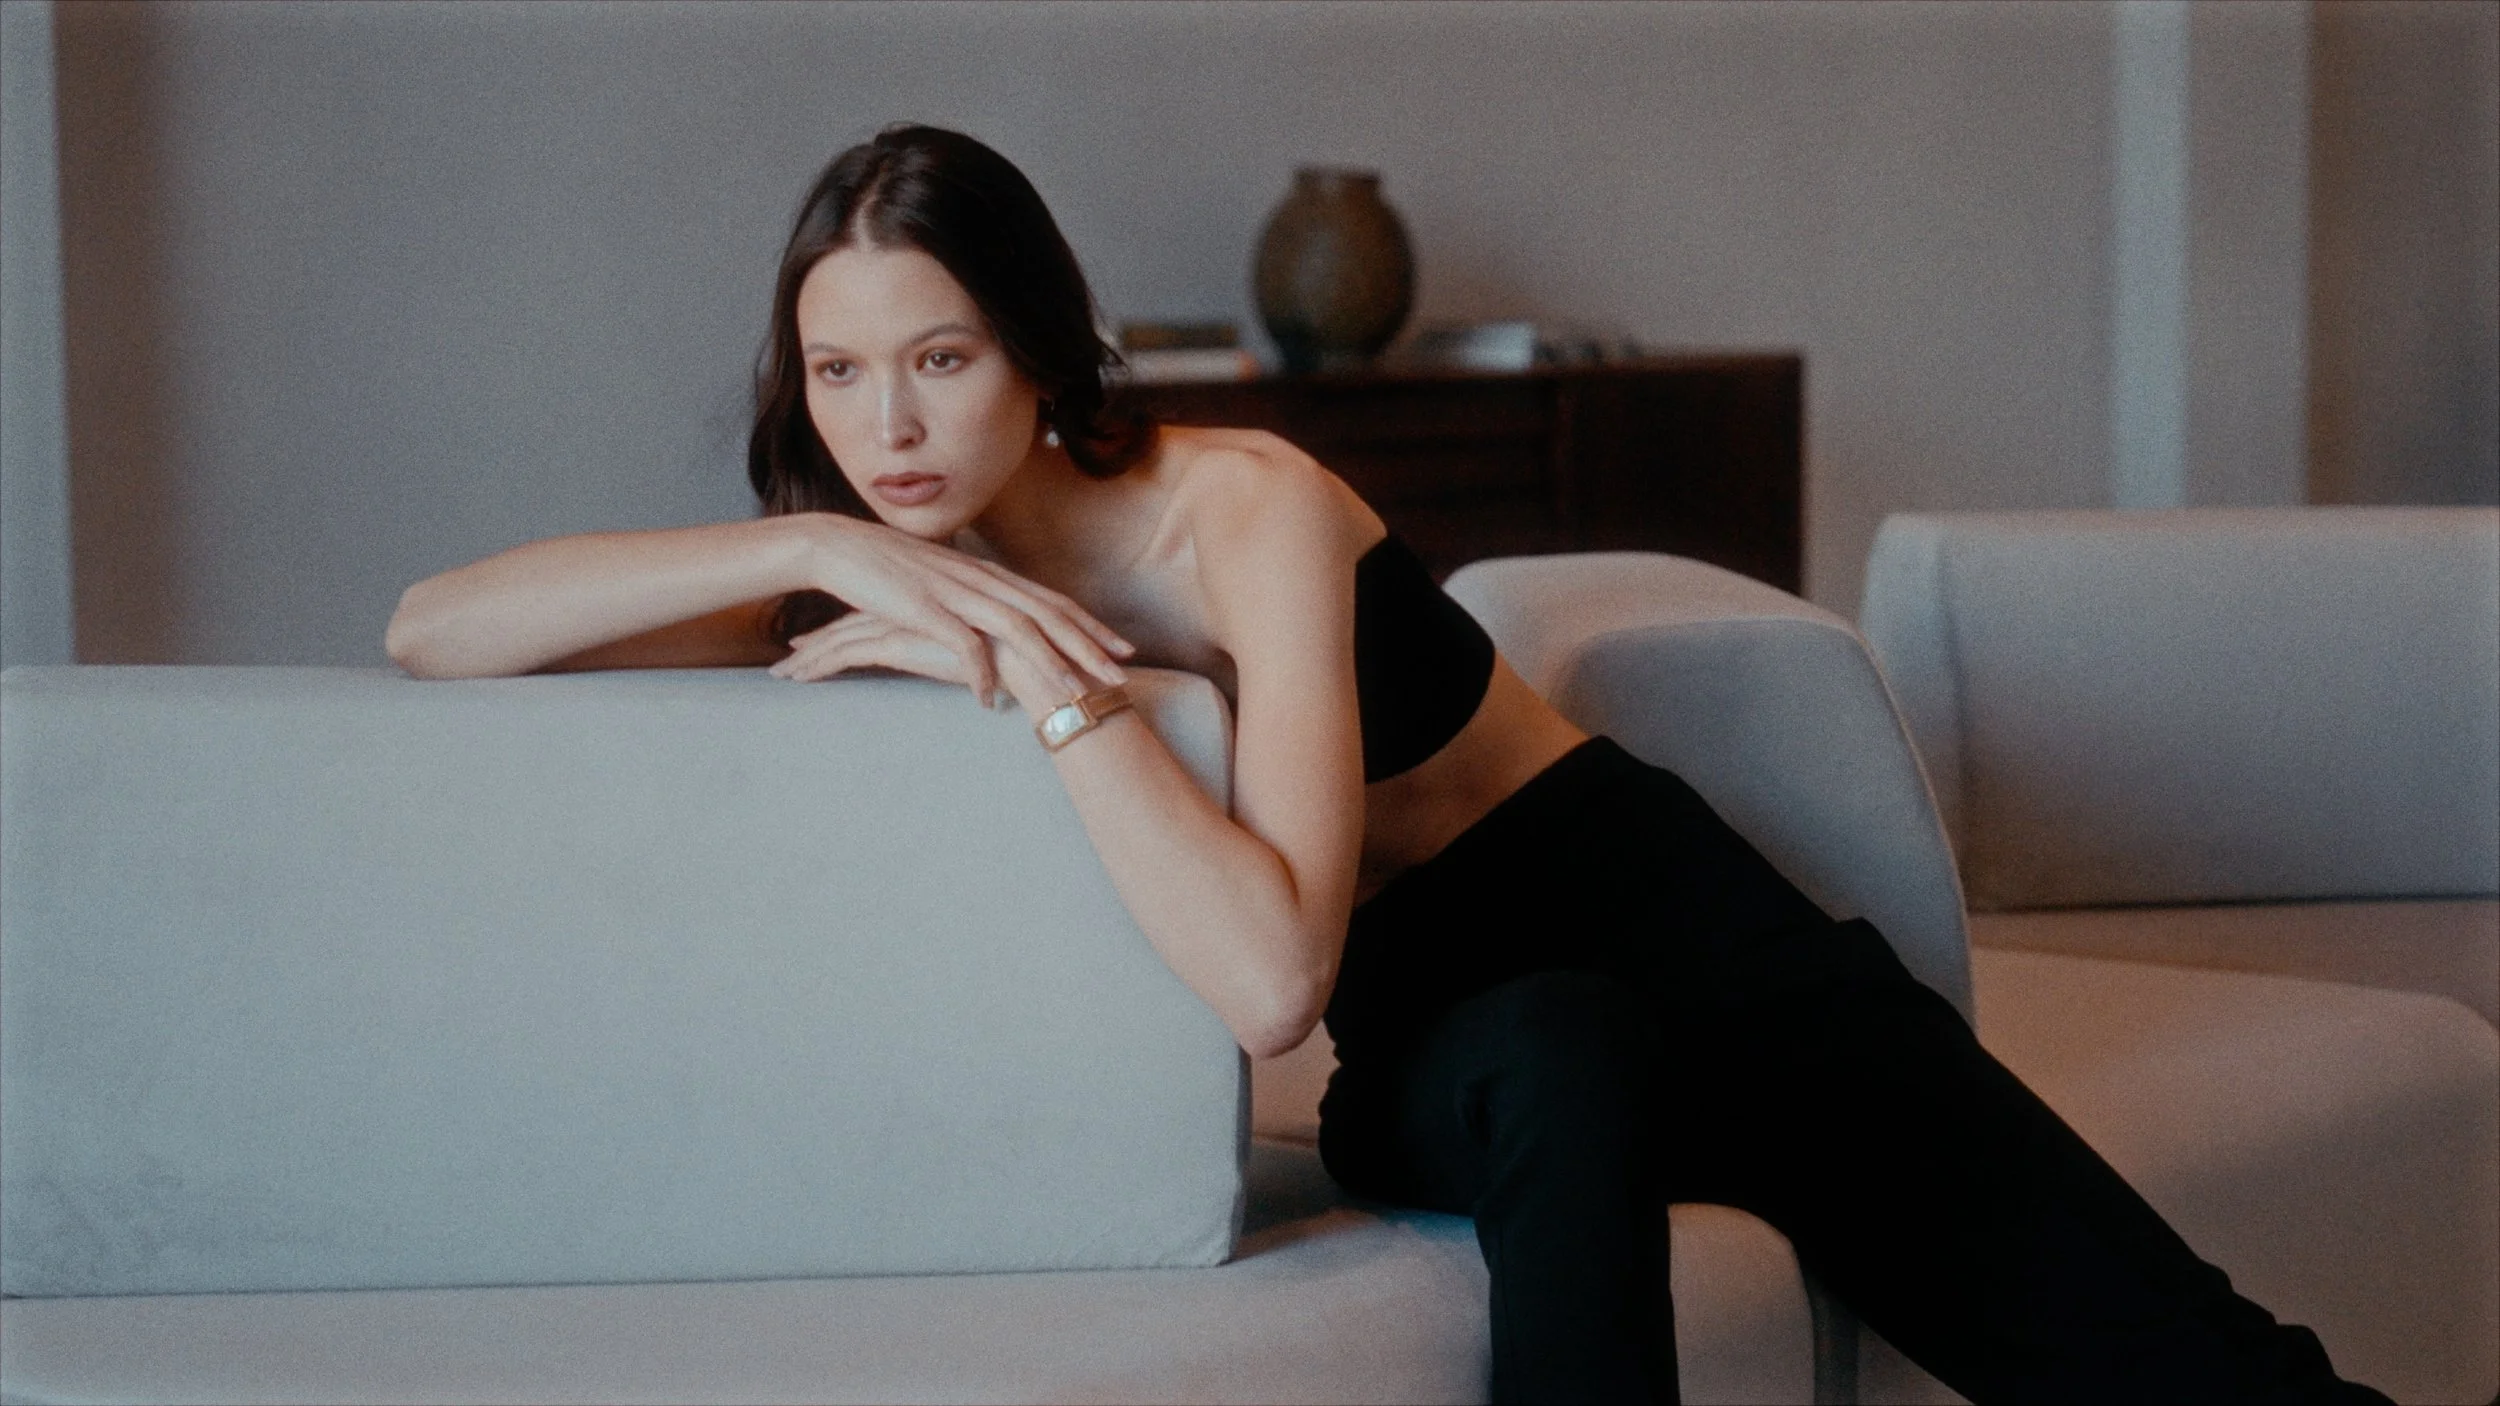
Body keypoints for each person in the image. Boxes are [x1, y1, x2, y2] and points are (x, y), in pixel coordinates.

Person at [387, 124, 2389, 1406]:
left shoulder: (1237, 505)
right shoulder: (891, 559)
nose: (887, 422)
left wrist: (1061, 690)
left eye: (940, 358)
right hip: (1462, 1036)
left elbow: (1266, 954)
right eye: (836, 372)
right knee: (1551, 1048)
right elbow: (432, 628)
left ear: (1039, 354)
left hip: (1681, 931)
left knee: (2197, 1383)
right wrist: (810, 548)